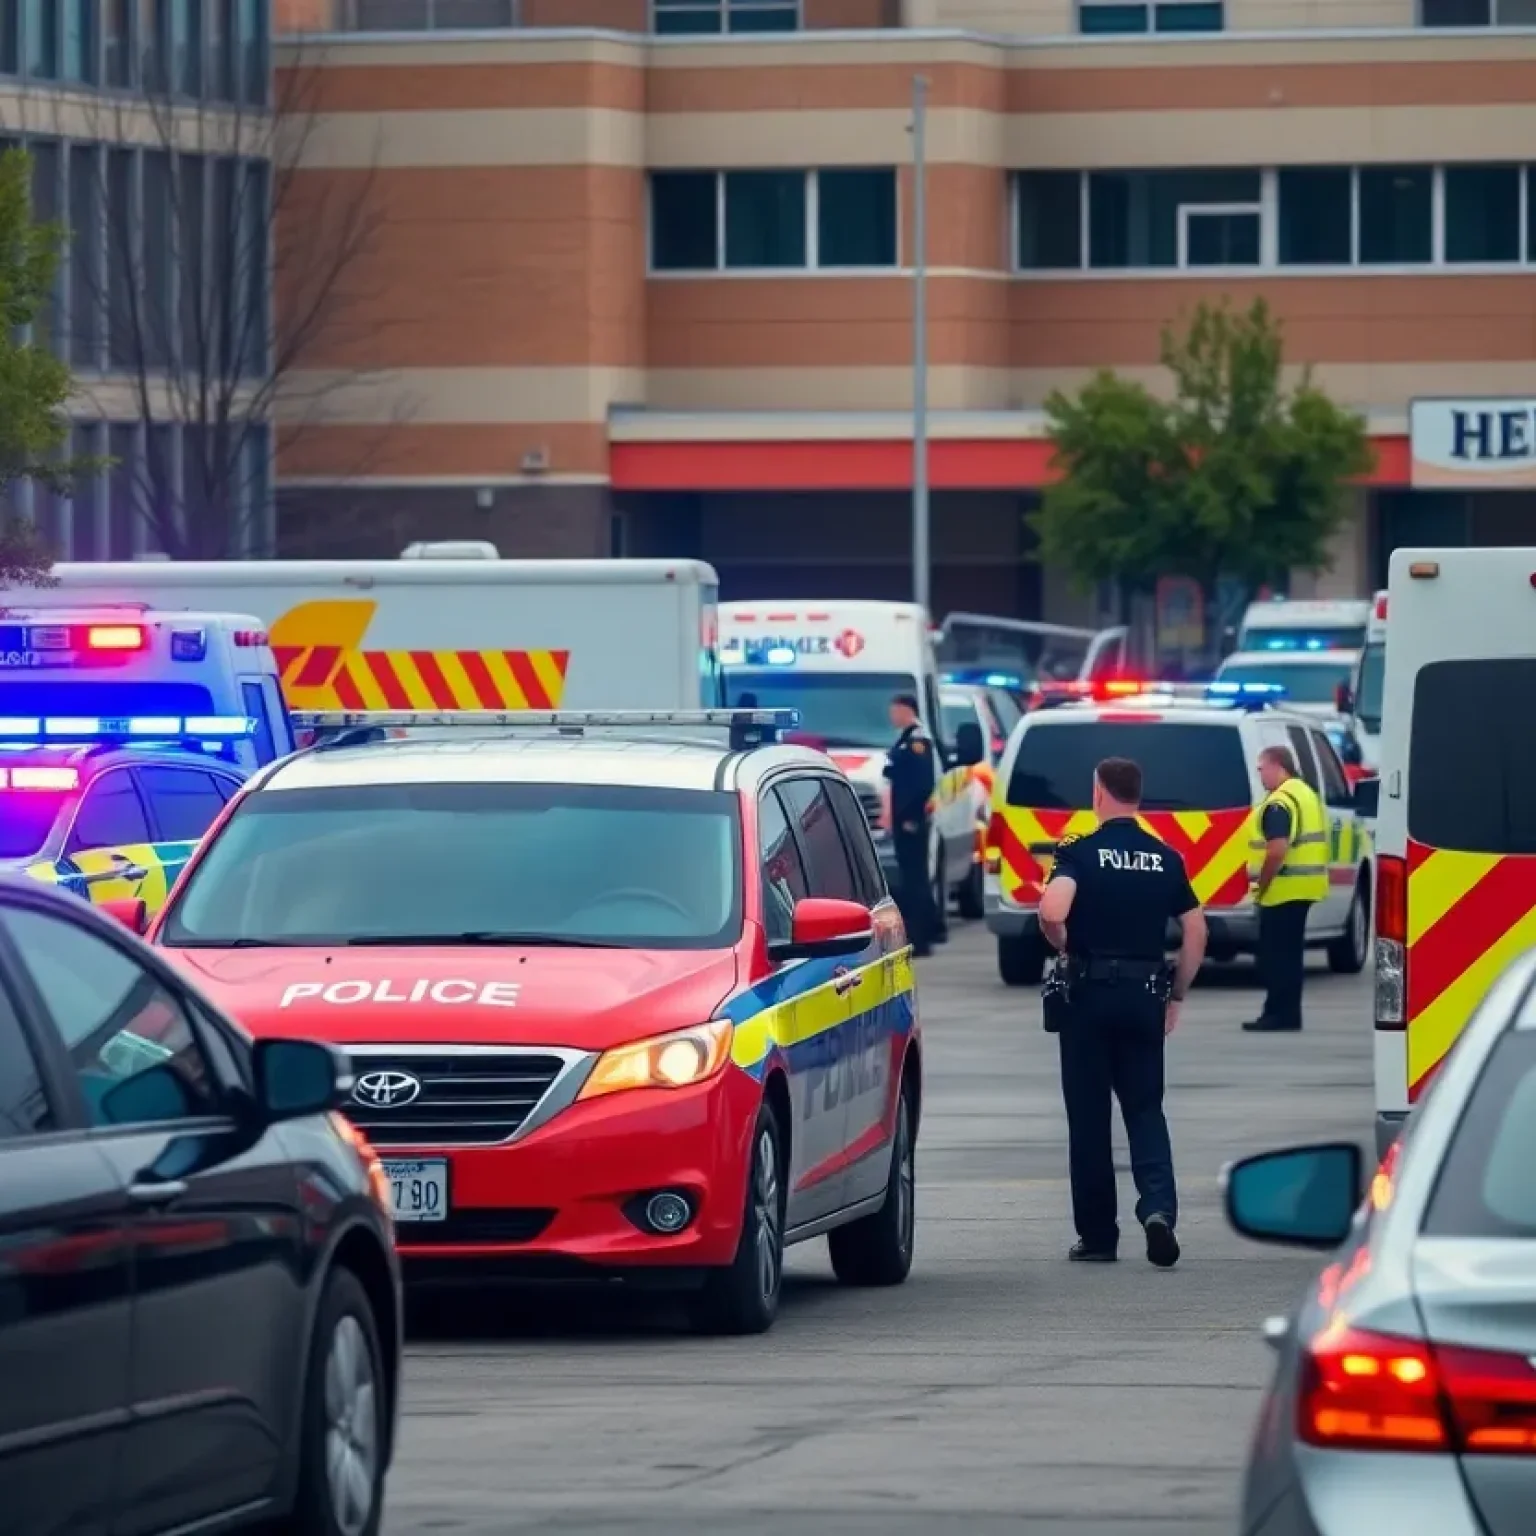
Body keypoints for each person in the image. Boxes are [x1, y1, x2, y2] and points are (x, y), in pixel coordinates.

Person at [1036, 757, 1208, 1268]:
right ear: (1137, 795)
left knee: (1089, 1120)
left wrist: (1063, 945)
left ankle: (1098, 1237)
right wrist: (1176, 995)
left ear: (1099, 792)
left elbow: (1051, 910)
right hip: (1143, 998)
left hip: (1088, 999)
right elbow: (1197, 931)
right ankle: (1158, 1211)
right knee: (1145, 1109)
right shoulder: (1164, 857)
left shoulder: (1080, 854)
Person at [1244, 745, 1328, 1033]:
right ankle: (1285, 1013)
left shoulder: (1280, 801)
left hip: (1282, 890)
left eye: (1261, 768)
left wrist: (1262, 884)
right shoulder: (1305, 793)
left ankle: (1279, 1014)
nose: (1260, 774)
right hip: (1301, 889)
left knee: (1276, 957)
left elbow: (1277, 850)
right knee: (1289, 956)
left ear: (1278, 765)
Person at [884, 693, 940, 957]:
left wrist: (911, 818)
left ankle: (921, 937)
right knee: (912, 877)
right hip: (903, 819)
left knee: (914, 879)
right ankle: (931, 929)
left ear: (908, 711)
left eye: (896, 711)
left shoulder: (917, 741)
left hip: (911, 821)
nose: (892, 716)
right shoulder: (906, 739)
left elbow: (921, 784)